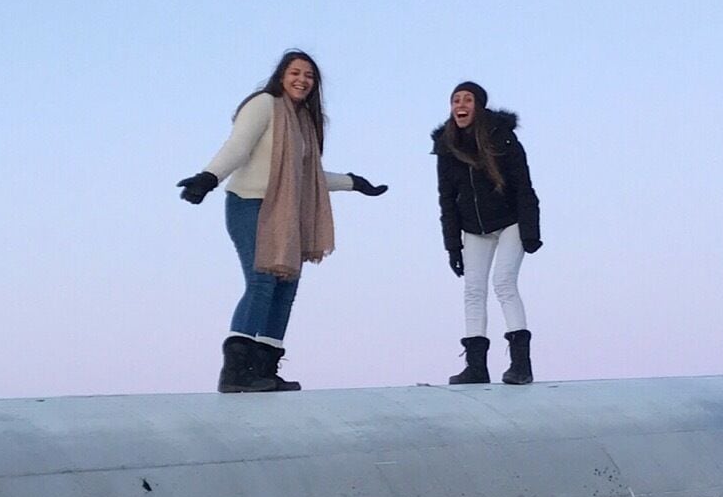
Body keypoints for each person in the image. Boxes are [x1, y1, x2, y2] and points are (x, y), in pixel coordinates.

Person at [178, 51, 385, 392]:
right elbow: (238, 147)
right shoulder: (264, 104)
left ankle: (264, 369)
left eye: (309, 76)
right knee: (262, 281)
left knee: (285, 287)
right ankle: (236, 373)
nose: (302, 80)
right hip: (250, 205)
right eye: (295, 73)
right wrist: (208, 178)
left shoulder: (304, 122)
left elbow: (308, 176)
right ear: (281, 75)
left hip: (287, 214)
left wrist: (353, 182)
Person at [432, 81, 542, 384]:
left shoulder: (501, 137)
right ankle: (476, 368)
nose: (460, 105)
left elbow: (524, 185)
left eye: (467, 100)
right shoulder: (447, 146)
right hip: (474, 229)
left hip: (510, 222)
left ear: (478, 106)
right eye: (455, 100)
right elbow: (446, 199)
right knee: (473, 290)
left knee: (503, 283)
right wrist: (453, 247)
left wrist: (530, 230)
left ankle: (521, 365)